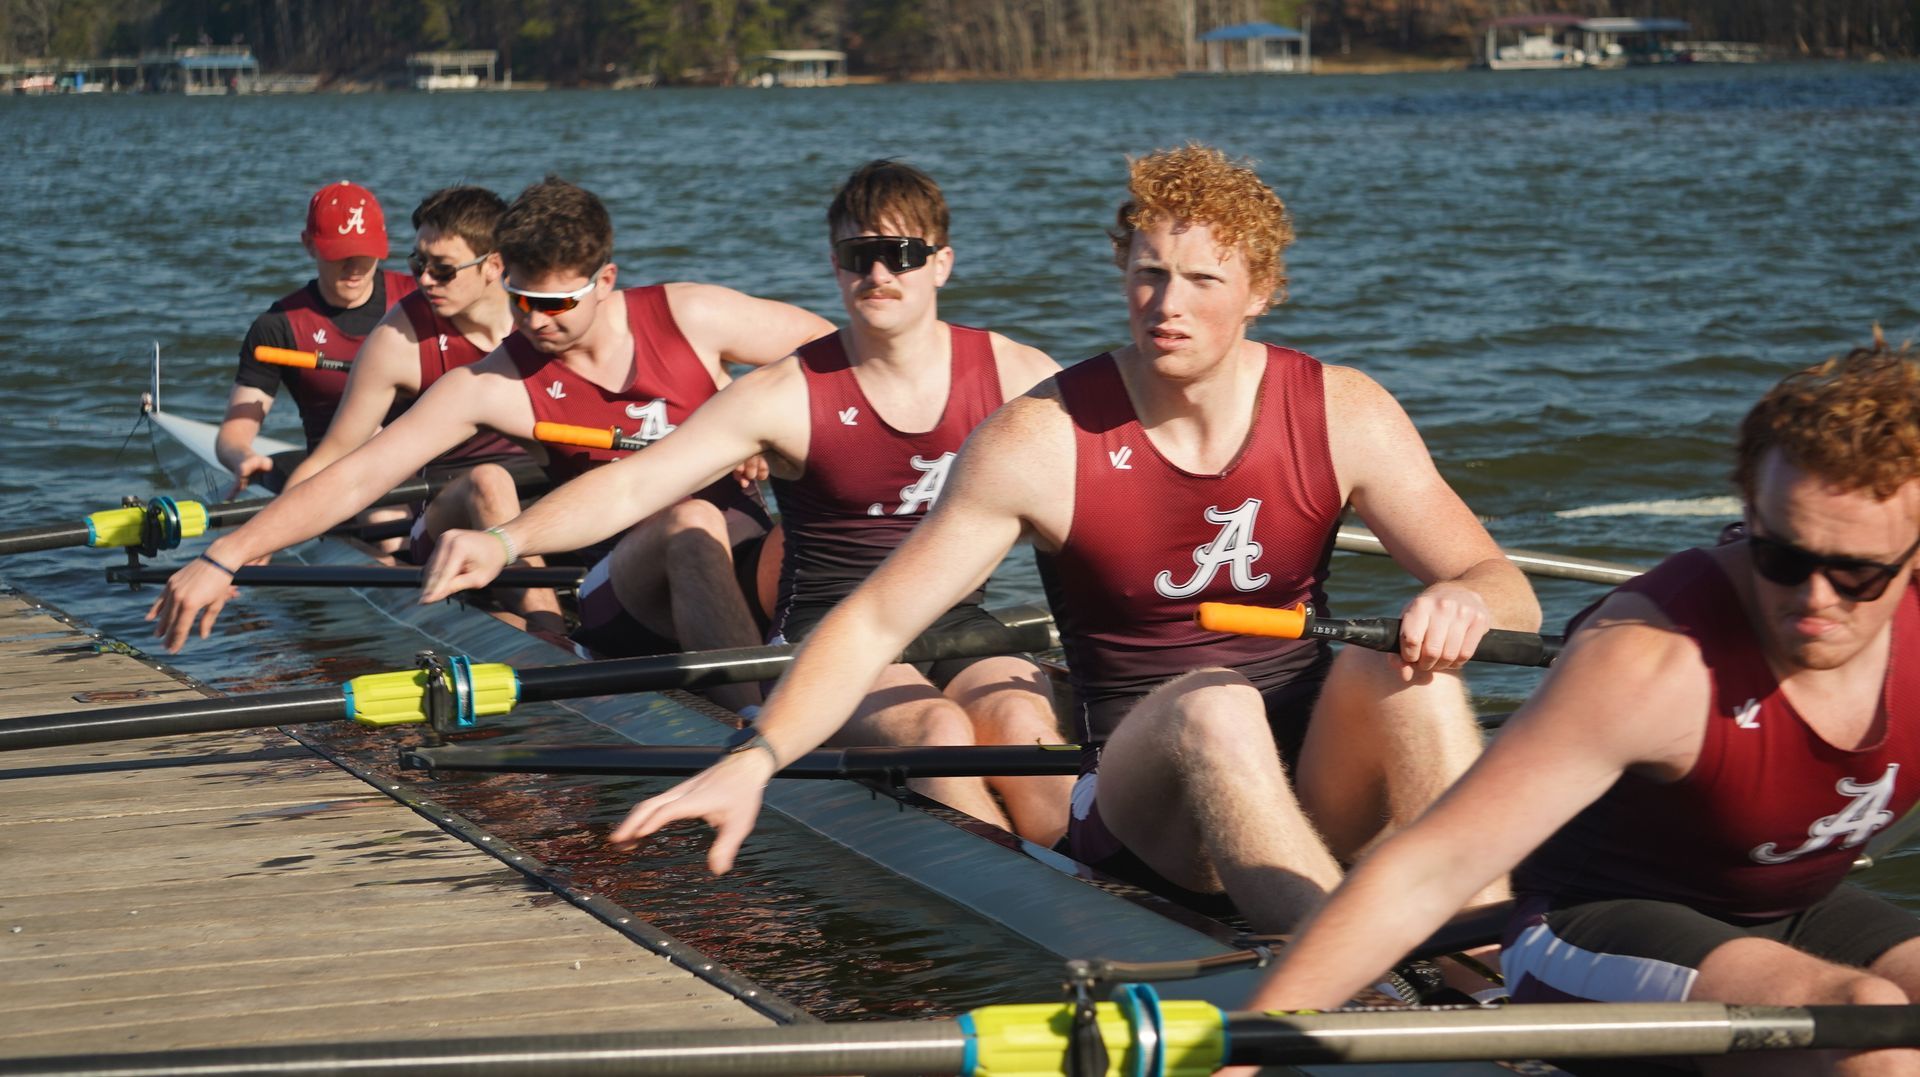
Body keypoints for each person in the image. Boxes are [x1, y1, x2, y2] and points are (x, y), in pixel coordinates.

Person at [599, 144, 1540, 935]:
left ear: (1259, 291)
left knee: (1408, 671)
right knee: (1215, 703)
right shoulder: (1041, 439)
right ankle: (1344, 991)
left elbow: (1504, 586)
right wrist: (754, 756)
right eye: (1147, 273)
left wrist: (1461, 598)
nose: (1166, 303)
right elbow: (874, 621)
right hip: (1147, 806)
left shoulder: (1345, 409)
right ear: (1122, 275)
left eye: (1203, 279)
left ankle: (1492, 961)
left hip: (1313, 767)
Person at [1241, 338, 1920, 1076]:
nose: (1814, 599)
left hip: (1796, 908)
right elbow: (1431, 868)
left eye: (1855, 572)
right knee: (1870, 1034)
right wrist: (1247, 1044)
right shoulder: (1649, 655)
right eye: (1783, 558)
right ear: (1750, 511)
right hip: (1587, 927)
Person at [420, 160, 1073, 843]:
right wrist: (506, 540)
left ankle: (1092, 888)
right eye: (860, 256)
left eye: (900, 254)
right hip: (832, 632)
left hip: (959, 619)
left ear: (940, 263)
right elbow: (637, 483)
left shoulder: (1019, 373)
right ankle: (1029, 906)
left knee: (1025, 730)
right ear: (835, 265)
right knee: (938, 732)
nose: (879, 274)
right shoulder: (782, 392)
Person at [150, 176, 832, 703]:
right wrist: (227, 554)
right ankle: (758, 729)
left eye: (555, 304)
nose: (534, 323)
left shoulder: (694, 314)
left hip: (742, 552)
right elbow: (360, 474)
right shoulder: (497, 382)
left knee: (829, 526)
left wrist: (765, 428)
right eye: (521, 299)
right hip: (619, 587)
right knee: (690, 519)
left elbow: (839, 356)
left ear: (606, 281)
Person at [275, 186, 556, 628]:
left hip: (548, 505)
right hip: (447, 513)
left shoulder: (546, 317)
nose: (424, 279)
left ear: (494, 266)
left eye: (442, 270)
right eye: (418, 263)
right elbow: (334, 456)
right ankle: (551, 631)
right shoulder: (398, 340)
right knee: (489, 481)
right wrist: (256, 545)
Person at [218, 181, 417, 493]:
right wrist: (241, 457)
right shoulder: (278, 326)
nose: (354, 267)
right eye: (340, 254)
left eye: (365, 253)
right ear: (308, 244)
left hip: (424, 462)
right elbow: (234, 432)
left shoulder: (420, 298)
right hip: (336, 477)